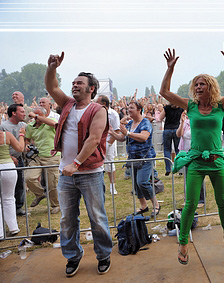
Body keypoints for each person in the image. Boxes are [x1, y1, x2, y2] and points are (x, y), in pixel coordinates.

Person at [160, 43, 224, 264]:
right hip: (196, 162)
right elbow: (164, 92)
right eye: (196, 84)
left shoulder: (220, 106)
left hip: (216, 161)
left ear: (211, 87)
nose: (198, 87)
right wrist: (170, 69)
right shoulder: (191, 107)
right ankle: (183, 242)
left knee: (222, 203)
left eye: (202, 84)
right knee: (189, 204)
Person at [45, 52, 113, 277]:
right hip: (67, 174)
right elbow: (51, 86)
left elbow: (94, 139)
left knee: (97, 217)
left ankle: (103, 254)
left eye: (79, 83)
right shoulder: (67, 104)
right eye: (73, 83)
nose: (74, 86)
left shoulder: (98, 110)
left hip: (90, 173)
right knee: (67, 219)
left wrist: (75, 163)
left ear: (91, 88)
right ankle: (73, 256)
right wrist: (52, 68)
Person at [109, 101, 161, 218]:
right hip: (133, 159)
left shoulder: (145, 122)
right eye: (128, 108)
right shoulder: (130, 123)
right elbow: (122, 138)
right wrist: (113, 133)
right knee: (136, 185)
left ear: (139, 109)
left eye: (131, 108)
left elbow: (144, 137)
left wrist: (128, 133)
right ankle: (143, 206)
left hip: (145, 158)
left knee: (142, 182)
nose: (129, 110)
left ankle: (156, 205)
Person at [25, 106, 60, 214]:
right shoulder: (30, 126)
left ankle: (56, 204)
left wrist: (36, 116)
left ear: (45, 116)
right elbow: (27, 138)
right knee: (28, 177)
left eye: (40, 116)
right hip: (37, 156)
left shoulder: (50, 122)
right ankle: (40, 194)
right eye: (35, 116)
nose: (37, 118)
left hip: (52, 156)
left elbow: (55, 125)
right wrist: (27, 145)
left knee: (52, 183)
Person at [0, 104, 27, 216]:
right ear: (14, 113)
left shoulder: (23, 125)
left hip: (19, 159)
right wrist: (10, 157)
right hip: (7, 160)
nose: (24, 114)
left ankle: (18, 208)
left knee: (20, 183)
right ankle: (7, 210)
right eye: (22, 111)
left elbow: (28, 138)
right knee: (8, 189)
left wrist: (27, 145)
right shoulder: (3, 126)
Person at [176, 111, 206, 208]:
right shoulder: (185, 123)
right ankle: (188, 199)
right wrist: (181, 122)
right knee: (187, 177)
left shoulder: (200, 122)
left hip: (197, 152)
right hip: (186, 153)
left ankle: (201, 199)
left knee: (198, 176)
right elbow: (178, 134)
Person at [0, 127, 26, 239]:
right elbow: (20, 148)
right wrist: (21, 135)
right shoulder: (6, 135)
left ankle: (0, 233)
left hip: (6, 166)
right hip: (8, 168)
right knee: (9, 197)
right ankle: (13, 227)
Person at [96, 95, 120, 195]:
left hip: (109, 141)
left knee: (110, 164)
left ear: (104, 104)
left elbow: (117, 130)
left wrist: (109, 144)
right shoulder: (96, 113)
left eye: (97, 102)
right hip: (97, 141)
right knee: (98, 163)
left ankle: (112, 186)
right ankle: (100, 186)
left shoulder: (113, 114)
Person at [158, 103, 183, 176]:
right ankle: (179, 169)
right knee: (178, 149)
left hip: (167, 130)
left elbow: (160, 118)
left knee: (166, 150)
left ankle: (168, 169)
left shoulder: (167, 108)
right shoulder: (180, 108)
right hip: (177, 129)